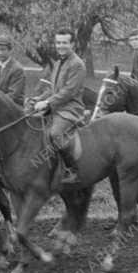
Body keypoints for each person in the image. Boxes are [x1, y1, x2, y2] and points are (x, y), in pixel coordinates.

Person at [29, 29, 86, 185]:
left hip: (70, 109)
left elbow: (68, 92)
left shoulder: (77, 64)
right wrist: (39, 98)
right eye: (58, 42)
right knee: (30, 123)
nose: (60, 46)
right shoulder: (59, 62)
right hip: (56, 106)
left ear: (72, 44)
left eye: (64, 43)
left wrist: (47, 103)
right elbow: (54, 89)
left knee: (55, 133)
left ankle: (71, 169)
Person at [0, 34, 26, 106]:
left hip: (13, 109)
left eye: (3, 49)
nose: (0, 53)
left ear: (10, 51)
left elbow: (14, 95)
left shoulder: (17, 69)